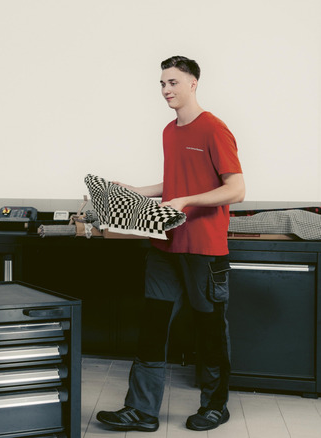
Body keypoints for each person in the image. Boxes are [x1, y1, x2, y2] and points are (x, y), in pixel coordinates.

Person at [96, 56, 245, 432]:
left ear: (193, 83)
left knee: (209, 329)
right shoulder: (168, 131)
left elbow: (237, 189)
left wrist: (188, 201)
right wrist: (133, 190)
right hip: (165, 245)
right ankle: (141, 410)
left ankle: (215, 405)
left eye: (173, 82)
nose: (166, 90)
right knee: (153, 326)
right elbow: (173, 184)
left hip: (205, 248)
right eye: (162, 83)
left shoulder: (214, 129)